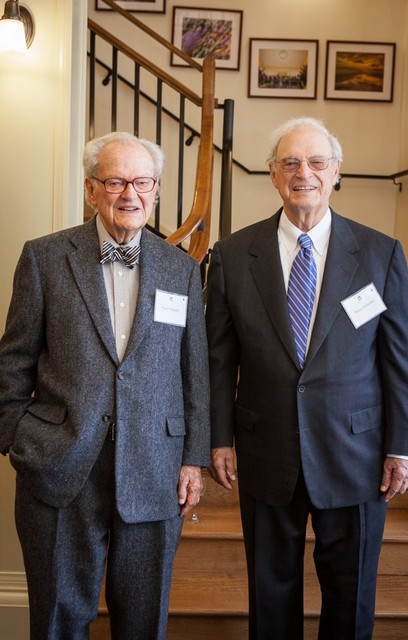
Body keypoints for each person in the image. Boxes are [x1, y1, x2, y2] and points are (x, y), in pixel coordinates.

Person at [205, 117, 408, 640]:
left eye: (316, 162)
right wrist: (218, 439)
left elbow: (399, 360)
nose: (304, 172)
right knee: (270, 597)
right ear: (274, 176)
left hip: (357, 454)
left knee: (350, 603)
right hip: (265, 449)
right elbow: (217, 358)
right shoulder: (234, 256)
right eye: (291, 163)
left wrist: (403, 448)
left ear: (336, 172)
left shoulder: (379, 252)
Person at [0, 131, 210, 639]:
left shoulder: (181, 269)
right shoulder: (44, 258)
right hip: (61, 466)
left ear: (156, 189)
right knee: (58, 620)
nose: (129, 194)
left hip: (155, 469)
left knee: (142, 623)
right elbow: (13, 362)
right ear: (92, 189)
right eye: (115, 181)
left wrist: (193, 459)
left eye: (142, 182)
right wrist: (19, 439)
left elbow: (194, 373)